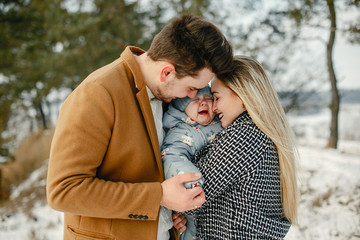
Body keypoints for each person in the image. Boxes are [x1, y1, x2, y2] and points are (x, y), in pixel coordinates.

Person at [46, 14, 233, 240]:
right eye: (192, 88)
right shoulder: (98, 93)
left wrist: (168, 213)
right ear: (167, 73)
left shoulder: (169, 98)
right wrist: (159, 197)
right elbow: (64, 191)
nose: (193, 96)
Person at [173, 56, 299, 239]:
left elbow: (191, 190)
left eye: (216, 98)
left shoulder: (245, 136)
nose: (213, 107)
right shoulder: (259, 134)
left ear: (242, 95)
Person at [159, 86, 223, 240]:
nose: (203, 103)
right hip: (193, 196)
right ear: (183, 109)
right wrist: (191, 181)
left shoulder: (222, 122)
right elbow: (171, 156)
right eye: (195, 100)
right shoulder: (180, 131)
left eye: (208, 99)